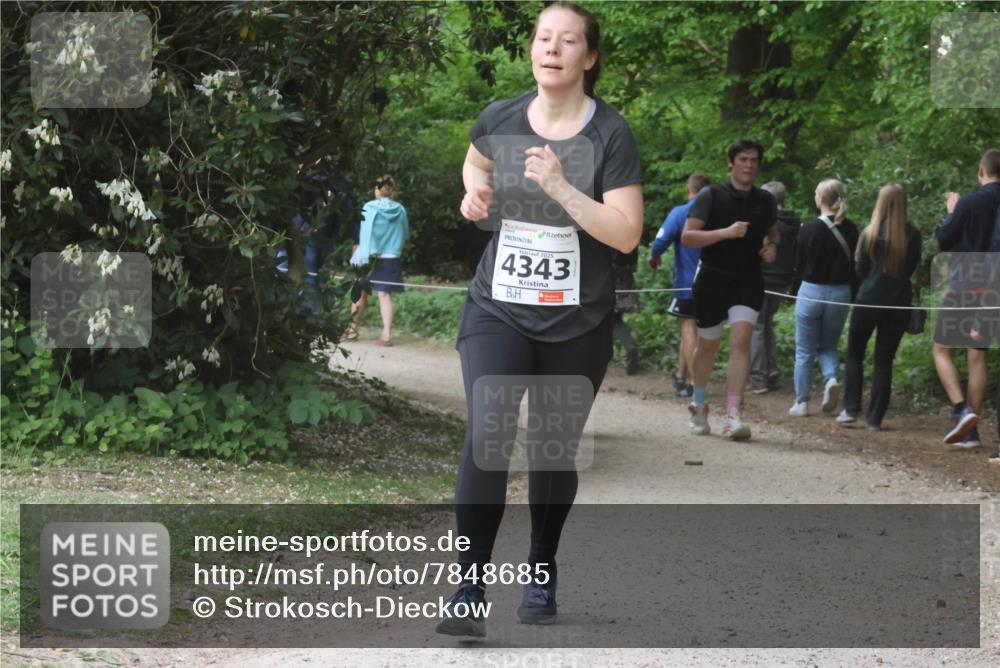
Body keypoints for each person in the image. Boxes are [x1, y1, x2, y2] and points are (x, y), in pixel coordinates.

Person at [438, 2, 643, 638]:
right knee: (490, 430)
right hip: (497, 307)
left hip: (577, 321)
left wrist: (560, 187)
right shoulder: (501, 116)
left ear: (590, 56)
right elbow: (476, 162)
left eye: (568, 40)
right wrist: (474, 193)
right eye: (542, 38)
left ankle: (541, 565)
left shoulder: (609, 135)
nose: (551, 48)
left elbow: (627, 233)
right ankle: (469, 583)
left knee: (553, 453)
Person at [681, 139, 779, 440]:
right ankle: (699, 403)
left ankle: (734, 414)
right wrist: (725, 233)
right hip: (712, 278)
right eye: (743, 159)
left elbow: (773, 233)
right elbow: (688, 236)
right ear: (731, 163)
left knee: (742, 339)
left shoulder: (765, 200)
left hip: (748, 279)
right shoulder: (711, 195)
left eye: (753, 160)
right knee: (708, 345)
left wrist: (772, 247)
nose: (749, 165)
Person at [836, 184, 921, 430]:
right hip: (897, 305)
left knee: (855, 354)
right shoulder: (913, 235)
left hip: (867, 301)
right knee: (884, 361)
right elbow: (911, 269)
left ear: (880, 203)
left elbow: (860, 271)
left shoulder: (869, 233)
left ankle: (851, 410)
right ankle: (875, 419)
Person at [932, 148, 1000, 447]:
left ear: (981, 171)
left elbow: (944, 241)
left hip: (967, 280)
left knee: (941, 349)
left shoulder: (969, 202)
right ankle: (969, 429)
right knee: (978, 354)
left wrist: (951, 214)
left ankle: (962, 412)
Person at [788, 178, 859, 418]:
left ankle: (802, 402)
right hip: (840, 293)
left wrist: (792, 293)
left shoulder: (808, 229)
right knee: (828, 344)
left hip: (811, 291)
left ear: (821, 199)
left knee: (805, 349)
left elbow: (798, 266)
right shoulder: (851, 229)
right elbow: (855, 266)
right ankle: (830, 379)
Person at [650, 172, 710, 397]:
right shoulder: (716, 213)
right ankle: (680, 377)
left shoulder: (680, 212)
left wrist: (654, 257)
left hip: (688, 283)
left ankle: (695, 384)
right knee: (699, 332)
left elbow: (660, 242)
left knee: (688, 330)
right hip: (714, 283)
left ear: (689, 190)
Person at [342, 175, 409, 346]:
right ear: (392, 190)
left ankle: (352, 330)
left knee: (359, 294)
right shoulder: (400, 210)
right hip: (391, 256)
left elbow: (364, 232)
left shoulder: (369, 207)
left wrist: (360, 254)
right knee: (385, 295)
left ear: (377, 190)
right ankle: (386, 335)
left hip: (369, 256)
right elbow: (405, 232)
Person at [749, 181, 800, 394]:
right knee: (767, 324)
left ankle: (759, 378)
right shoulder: (795, 223)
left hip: (761, 279)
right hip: (782, 282)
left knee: (757, 327)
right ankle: (771, 372)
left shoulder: (764, 222)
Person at [612, 249, 641, 374]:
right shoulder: (627, 228)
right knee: (616, 319)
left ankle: (599, 356)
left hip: (605, 274)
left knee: (605, 319)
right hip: (625, 274)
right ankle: (629, 346)